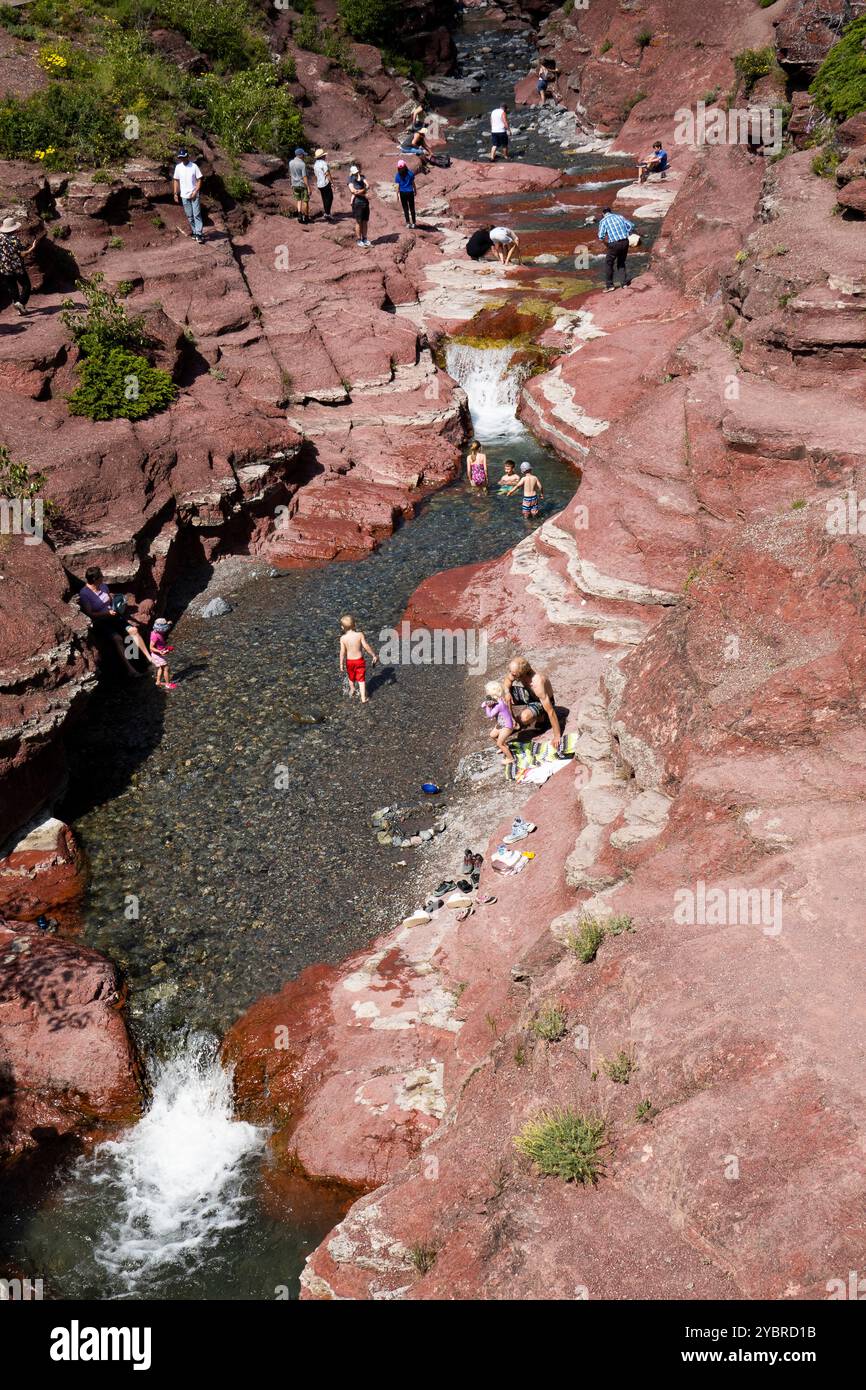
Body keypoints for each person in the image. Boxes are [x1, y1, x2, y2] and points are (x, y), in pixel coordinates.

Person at [77, 566, 151, 677]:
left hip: (112, 615)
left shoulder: (103, 586)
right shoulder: (85, 594)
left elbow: (109, 599)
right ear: (95, 579)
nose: (103, 577)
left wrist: (117, 604)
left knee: (134, 630)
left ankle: (149, 658)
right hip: (100, 621)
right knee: (118, 638)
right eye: (101, 576)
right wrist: (106, 613)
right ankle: (131, 670)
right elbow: (90, 613)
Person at [503, 656, 562, 743]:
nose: (512, 675)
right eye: (511, 672)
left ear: (523, 673)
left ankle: (541, 716)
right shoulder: (516, 673)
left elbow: (550, 711)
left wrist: (557, 736)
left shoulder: (537, 683)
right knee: (505, 697)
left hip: (540, 701)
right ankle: (511, 719)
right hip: (529, 694)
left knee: (525, 718)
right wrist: (507, 692)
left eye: (514, 674)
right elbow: (507, 681)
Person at [0, 216, 36, 316]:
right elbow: (22, 253)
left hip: (4, 269)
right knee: (26, 286)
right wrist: (32, 248)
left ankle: (20, 309)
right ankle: (21, 303)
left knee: (13, 288)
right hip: (17, 268)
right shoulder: (14, 239)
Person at [339, 614, 378, 703]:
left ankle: (352, 690)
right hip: (359, 661)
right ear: (355, 624)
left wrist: (341, 664)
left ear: (342, 627)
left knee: (351, 677)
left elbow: (342, 652)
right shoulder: (359, 635)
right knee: (361, 679)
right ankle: (363, 698)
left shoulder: (343, 638)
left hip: (349, 662)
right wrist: (373, 655)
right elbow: (366, 646)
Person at [596, 208, 635, 292]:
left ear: (603, 214)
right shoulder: (619, 217)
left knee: (608, 263)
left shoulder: (603, 221)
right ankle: (624, 284)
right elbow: (631, 225)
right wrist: (627, 232)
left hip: (614, 244)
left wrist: (606, 243)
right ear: (610, 212)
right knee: (621, 262)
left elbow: (600, 236)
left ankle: (610, 286)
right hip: (625, 241)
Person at [172, 149, 204, 244]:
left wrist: (195, 191)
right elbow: (175, 180)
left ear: (187, 156)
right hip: (184, 195)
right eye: (180, 157)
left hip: (194, 194)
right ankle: (194, 232)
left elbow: (199, 180)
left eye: (184, 157)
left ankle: (199, 234)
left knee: (197, 214)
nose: (182, 159)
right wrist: (175, 193)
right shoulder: (178, 167)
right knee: (189, 216)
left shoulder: (194, 166)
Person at [482, 680, 518, 764]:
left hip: (507, 726)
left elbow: (490, 715)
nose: (486, 694)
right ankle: (505, 747)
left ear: (492, 694)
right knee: (492, 735)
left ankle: (510, 758)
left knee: (499, 743)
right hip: (501, 724)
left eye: (487, 692)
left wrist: (487, 707)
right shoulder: (498, 700)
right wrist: (485, 704)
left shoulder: (499, 705)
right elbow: (484, 704)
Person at [149, 618, 177, 690]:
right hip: (157, 654)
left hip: (159, 653)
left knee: (161, 668)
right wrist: (160, 651)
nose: (165, 631)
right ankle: (168, 684)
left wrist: (169, 623)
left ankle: (158, 682)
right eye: (164, 629)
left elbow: (167, 624)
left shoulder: (156, 631)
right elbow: (151, 647)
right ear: (160, 629)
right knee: (166, 668)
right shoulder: (155, 636)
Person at [348, 164, 371, 248]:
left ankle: (364, 238)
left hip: (365, 202)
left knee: (365, 221)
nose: (356, 174)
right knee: (358, 222)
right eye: (355, 173)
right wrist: (364, 191)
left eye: (357, 172)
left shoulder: (362, 177)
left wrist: (360, 191)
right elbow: (353, 191)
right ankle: (359, 239)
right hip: (357, 203)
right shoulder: (350, 179)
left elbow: (367, 185)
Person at [289, 147, 311, 225]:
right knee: (305, 201)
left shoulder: (291, 162)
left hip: (294, 184)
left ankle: (299, 215)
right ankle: (306, 217)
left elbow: (291, 174)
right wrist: (308, 187)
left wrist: (291, 184)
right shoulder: (302, 164)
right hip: (302, 184)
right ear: (300, 155)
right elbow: (304, 177)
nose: (304, 156)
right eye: (303, 155)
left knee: (298, 200)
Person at [395, 160, 417, 229]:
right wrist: (415, 190)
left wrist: (397, 195)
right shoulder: (410, 173)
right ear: (405, 166)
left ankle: (408, 223)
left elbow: (397, 186)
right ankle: (413, 223)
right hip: (410, 192)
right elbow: (413, 183)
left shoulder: (398, 175)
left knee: (405, 209)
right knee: (412, 208)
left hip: (402, 193)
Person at [313, 149, 334, 221]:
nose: (325, 156)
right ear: (322, 156)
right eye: (324, 155)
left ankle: (326, 213)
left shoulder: (315, 164)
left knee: (324, 198)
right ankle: (327, 213)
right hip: (325, 183)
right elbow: (327, 173)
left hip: (319, 184)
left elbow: (316, 175)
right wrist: (331, 182)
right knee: (330, 198)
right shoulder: (323, 163)